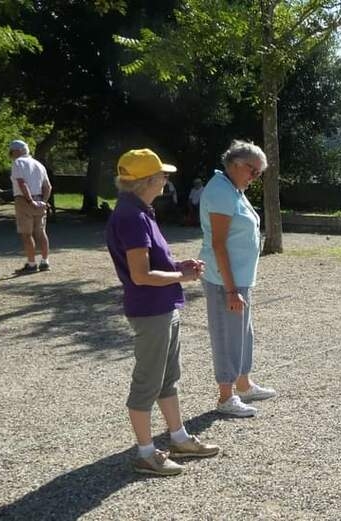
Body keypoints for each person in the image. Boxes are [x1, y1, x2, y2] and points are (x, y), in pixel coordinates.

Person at [107, 148, 219, 476]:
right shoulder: (132, 216)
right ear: (147, 181)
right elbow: (141, 275)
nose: (166, 180)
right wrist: (182, 276)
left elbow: (152, 265)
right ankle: (145, 453)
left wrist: (176, 266)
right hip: (150, 309)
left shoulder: (141, 211)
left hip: (162, 306)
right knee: (147, 382)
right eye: (162, 176)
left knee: (168, 379)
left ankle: (179, 437)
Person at [199, 140, 276, 418]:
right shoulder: (221, 191)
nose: (254, 177)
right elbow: (219, 244)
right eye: (252, 170)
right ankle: (225, 395)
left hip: (239, 277)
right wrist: (231, 290)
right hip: (224, 280)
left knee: (243, 332)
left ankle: (243, 384)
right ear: (234, 164)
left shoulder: (234, 189)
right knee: (226, 335)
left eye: (259, 173)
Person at [9, 140, 53, 274]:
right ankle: (45, 261)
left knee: (27, 234)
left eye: (12, 152)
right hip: (40, 198)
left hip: (24, 200)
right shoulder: (39, 164)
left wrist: (30, 200)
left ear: (18, 151)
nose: (11, 155)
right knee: (41, 232)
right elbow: (48, 186)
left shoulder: (18, 163)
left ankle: (32, 263)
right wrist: (44, 202)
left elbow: (22, 184)